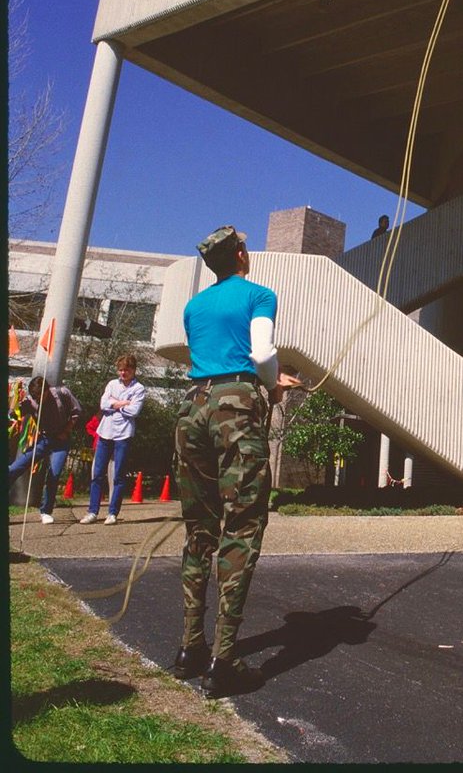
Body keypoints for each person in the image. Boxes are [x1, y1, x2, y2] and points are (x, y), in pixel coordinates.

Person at [172, 225, 301, 698]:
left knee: (198, 529)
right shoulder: (259, 294)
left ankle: (190, 647)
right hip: (236, 407)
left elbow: (208, 356)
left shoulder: (194, 306)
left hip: (192, 407)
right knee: (242, 527)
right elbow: (261, 353)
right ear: (242, 254)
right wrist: (273, 383)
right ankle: (223, 663)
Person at [80, 352, 146, 525]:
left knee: (118, 475)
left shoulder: (138, 389)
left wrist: (115, 404)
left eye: (127, 370)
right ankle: (92, 511)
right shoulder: (111, 384)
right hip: (105, 432)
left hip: (123, 434)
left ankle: (112, 512)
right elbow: (103, 404)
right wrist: (123, 403)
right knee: (97, 473)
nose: (123, 373)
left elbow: (134, 411)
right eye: (121, 370)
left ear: (133, 370)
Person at [7, 375, 81, 523]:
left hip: (61, 441)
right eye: (35, 396)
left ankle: (46, 511)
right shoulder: (29, 401)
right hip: (43, 440)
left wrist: (66, 430)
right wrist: (15, 403)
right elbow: (14, 415)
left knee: (54, 473)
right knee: (15, 468)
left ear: (47, 390)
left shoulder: (62, 393)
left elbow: (77, 411)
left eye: (40, 395)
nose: (38, 399)